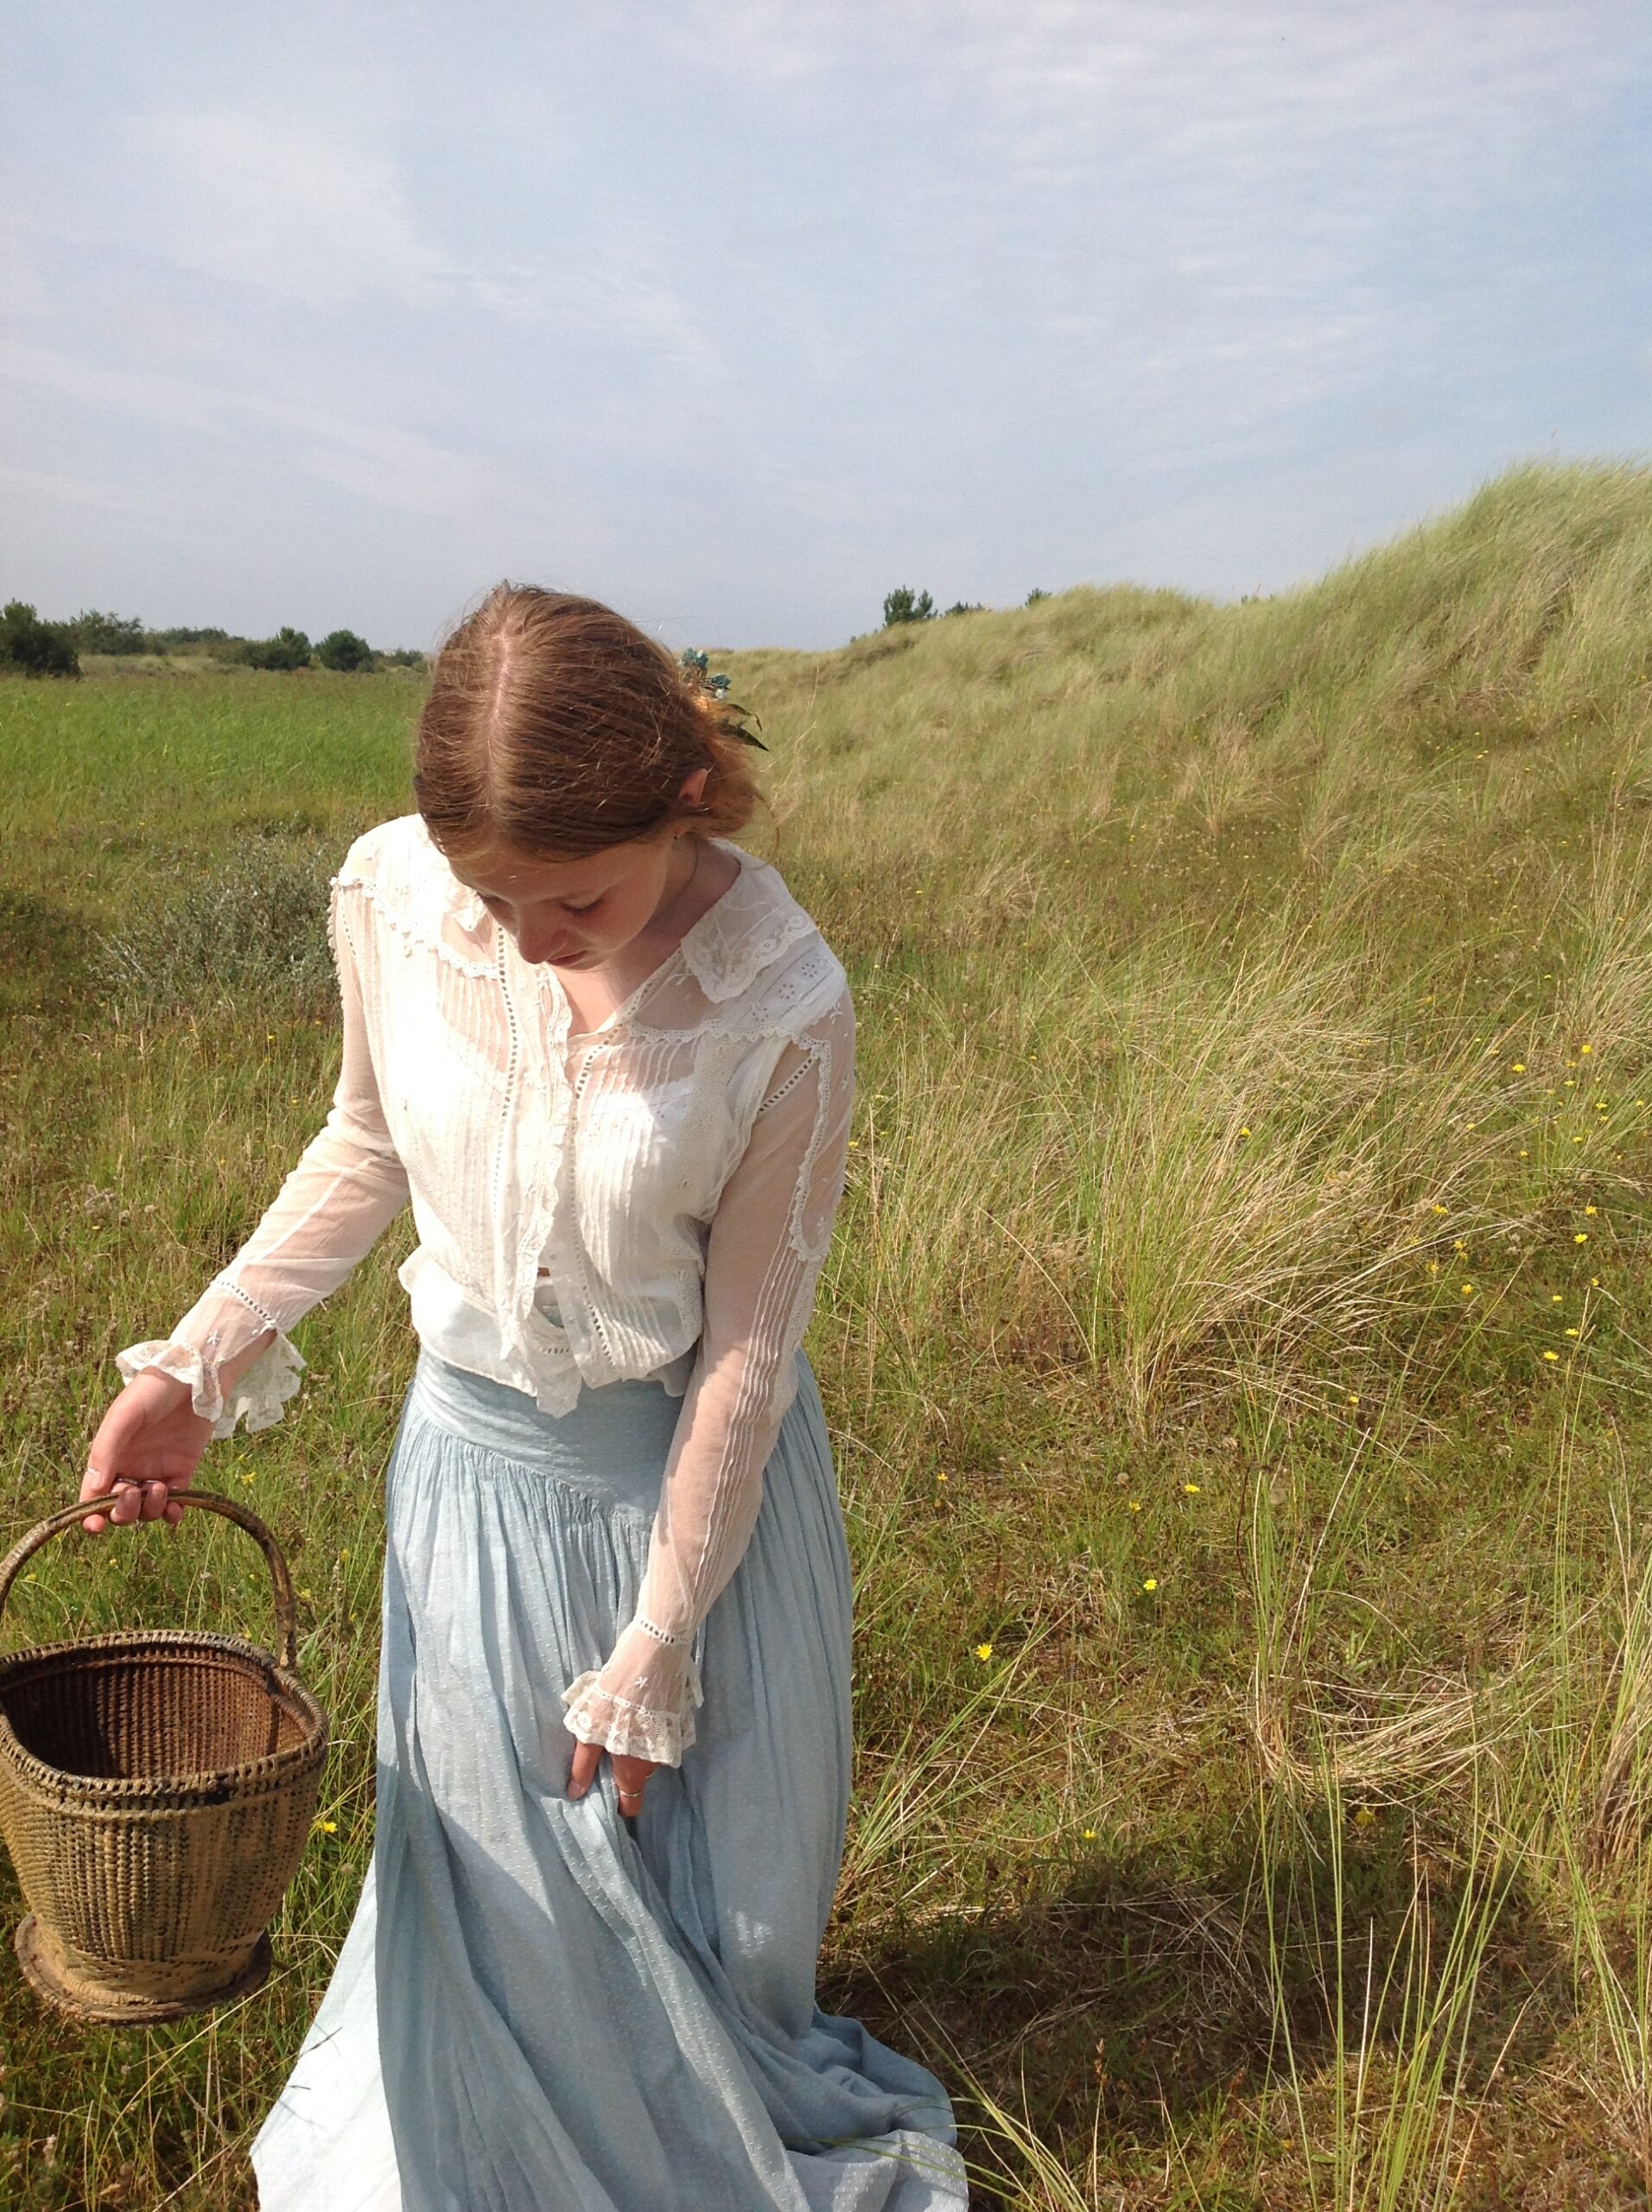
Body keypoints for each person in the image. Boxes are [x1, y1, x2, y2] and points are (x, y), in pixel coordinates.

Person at [79, 587, 969, 2212]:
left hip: (691, 1506)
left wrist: (660, 1638)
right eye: (496, 900)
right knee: (504, 1899)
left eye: (577, 899)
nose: (528, 938)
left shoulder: (784, 998)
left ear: (682, 798)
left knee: (711, 1920)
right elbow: (363, 1146)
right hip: (473, 1491)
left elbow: (746, 1357)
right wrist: (193, 1364)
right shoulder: (396, 897)